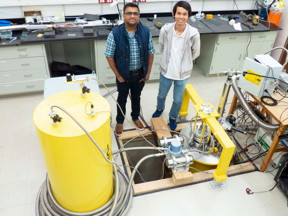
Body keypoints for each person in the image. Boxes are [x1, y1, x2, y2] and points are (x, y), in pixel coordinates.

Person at [105, 3, 155, 136]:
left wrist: (148, 72)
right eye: (129, 13)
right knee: (122, 98)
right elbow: (109, 55)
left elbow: (151, 52)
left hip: (139, 74)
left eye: (135, 13)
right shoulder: (115, 33)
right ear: (123, 15)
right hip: (123, 75)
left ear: (139, 16)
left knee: (136, 97)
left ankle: (135, 117)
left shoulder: (145, 32)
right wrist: (118, 75)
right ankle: (120, 121)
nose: (132, 16)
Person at [152, 1, 200, 130]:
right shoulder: (166, 29)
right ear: (174, 14)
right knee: (161, 95)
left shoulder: (194, 33)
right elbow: (161, 46)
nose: (181, 17)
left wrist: (186, 63)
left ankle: (173, 117)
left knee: (177, 100)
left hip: (182, 74)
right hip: (166, 71)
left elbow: (196, 53)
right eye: (179, 13)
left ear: (188, 16)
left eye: (184, 14)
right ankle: (159, 109)